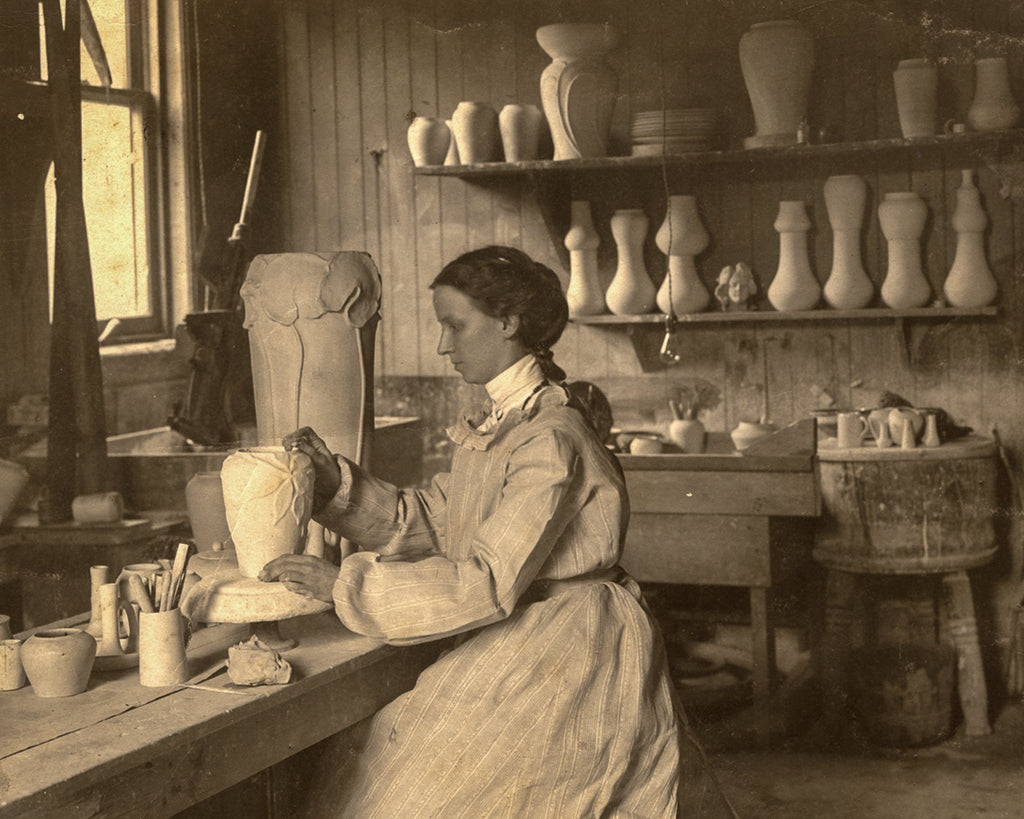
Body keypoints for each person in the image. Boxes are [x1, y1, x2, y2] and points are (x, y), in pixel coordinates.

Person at [261, 246, 735, 817]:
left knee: (402, 793)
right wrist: (336, 486)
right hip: (530, 625)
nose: (443, 345)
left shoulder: (548, 437)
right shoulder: (508, 423)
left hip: (571, 646)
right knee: (373, 763)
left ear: (508, 324)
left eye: (454, 325)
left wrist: (343, 587)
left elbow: (486, 580)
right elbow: (435, 518)